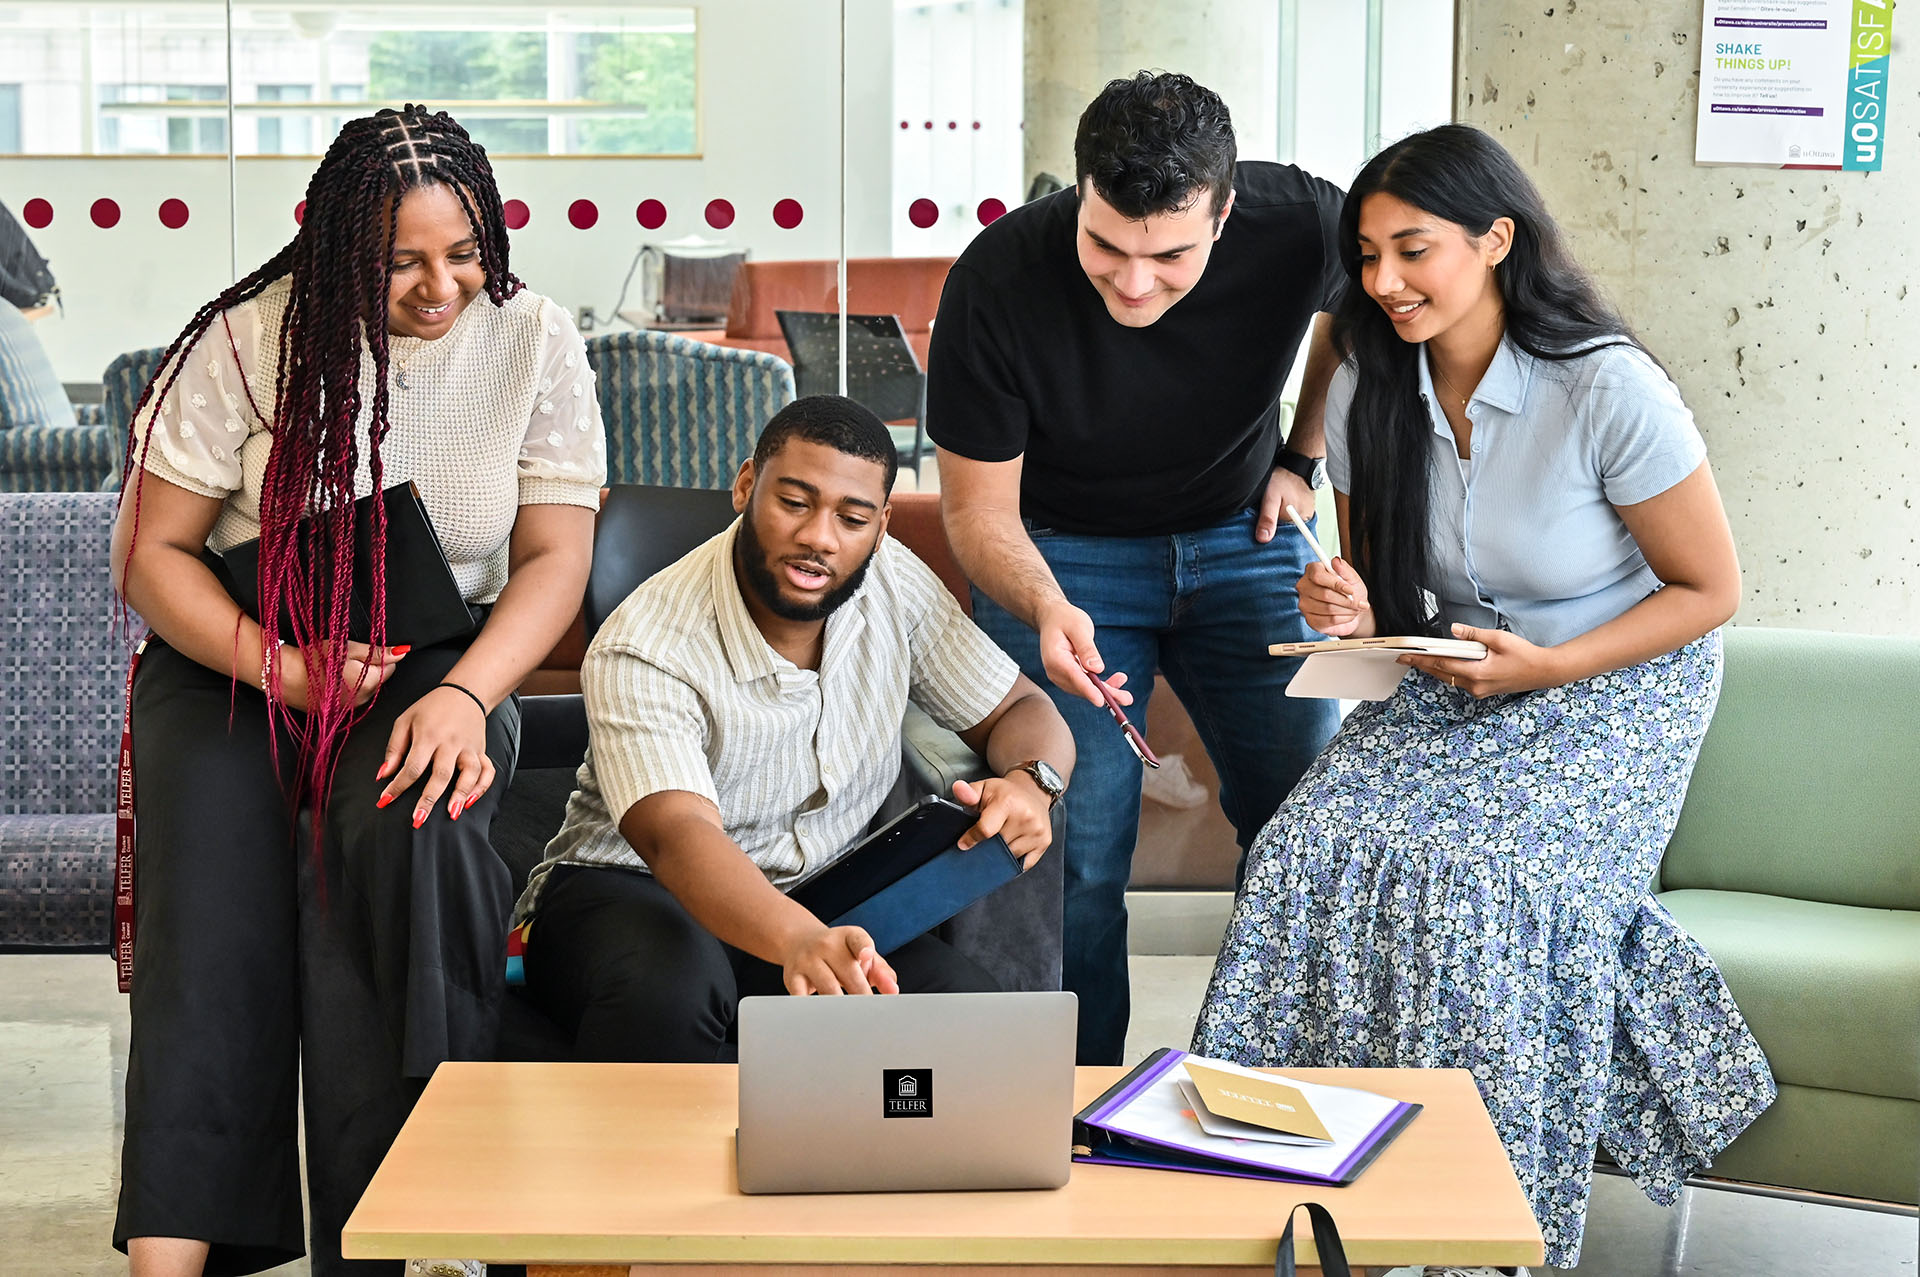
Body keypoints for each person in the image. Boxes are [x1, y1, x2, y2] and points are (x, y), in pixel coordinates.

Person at [1191, 124, 1775, 1272]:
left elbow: (1711, 590)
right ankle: (1273, 1196)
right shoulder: (1367, 385)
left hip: (1617, 681)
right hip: (1458, 675)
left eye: (1414, 249)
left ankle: (1474, 1230)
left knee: (1485, 887)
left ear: (1496, 239)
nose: (1384, 281)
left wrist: (1549, 668)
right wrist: (1352, 610)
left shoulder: (1608, 388)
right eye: (1365, 256)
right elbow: (1389, 598)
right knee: (1306, 847)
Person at [110, 106, 606, 1276]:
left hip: (429, 652)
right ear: (339, 250)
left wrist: (471, 698)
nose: (443, 287)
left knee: (408, 841)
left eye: (465, 250)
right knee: (213, 918)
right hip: (236, 653)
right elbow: (152, 556)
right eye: (402, 262)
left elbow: (552, 559)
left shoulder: (532, 337)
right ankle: (168, 1256)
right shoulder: (248, 339)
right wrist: (285, 668)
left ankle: (419, 1233)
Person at [927, 71, 1345, 1064]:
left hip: (1240, 538)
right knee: (1073, 849)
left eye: (1170, 255)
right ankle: (1077, 1112)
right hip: (1059, 555)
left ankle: (1290, 1083)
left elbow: (1367, 311)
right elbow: (975, 512)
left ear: (1226, 212)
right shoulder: (997, 277)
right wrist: (1041, 601)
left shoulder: (1302, 222)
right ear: (1078, 192)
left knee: (1312, 829)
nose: (1134, 281)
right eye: (1107, 244)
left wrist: (1304, 450)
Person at [515, 396, 1076, 1060]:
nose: (820, 537)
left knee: (970, 1023)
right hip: (630, 889)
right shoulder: (646, 641)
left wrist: (1033, 782)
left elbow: (1021, 710)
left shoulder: (894, 581)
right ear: (747, 485)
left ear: (882, 524)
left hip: (822, 899)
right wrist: (795, 938)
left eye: (852, 517)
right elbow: (678, 838)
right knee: (673, 990)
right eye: (795, 502)